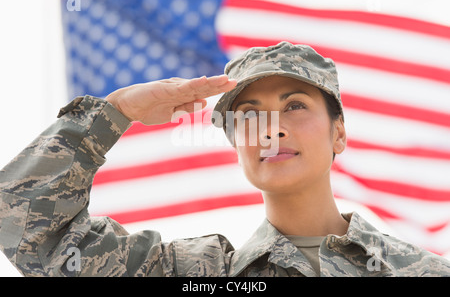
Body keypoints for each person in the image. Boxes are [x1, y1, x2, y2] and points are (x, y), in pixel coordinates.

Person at [0, 41, 449, 277]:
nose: (272, 129)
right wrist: (116, 112)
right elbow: (23, 225)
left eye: (295, 105)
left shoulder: (421, 273)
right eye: (250, 115)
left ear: (339, 133)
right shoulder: (195, 273)